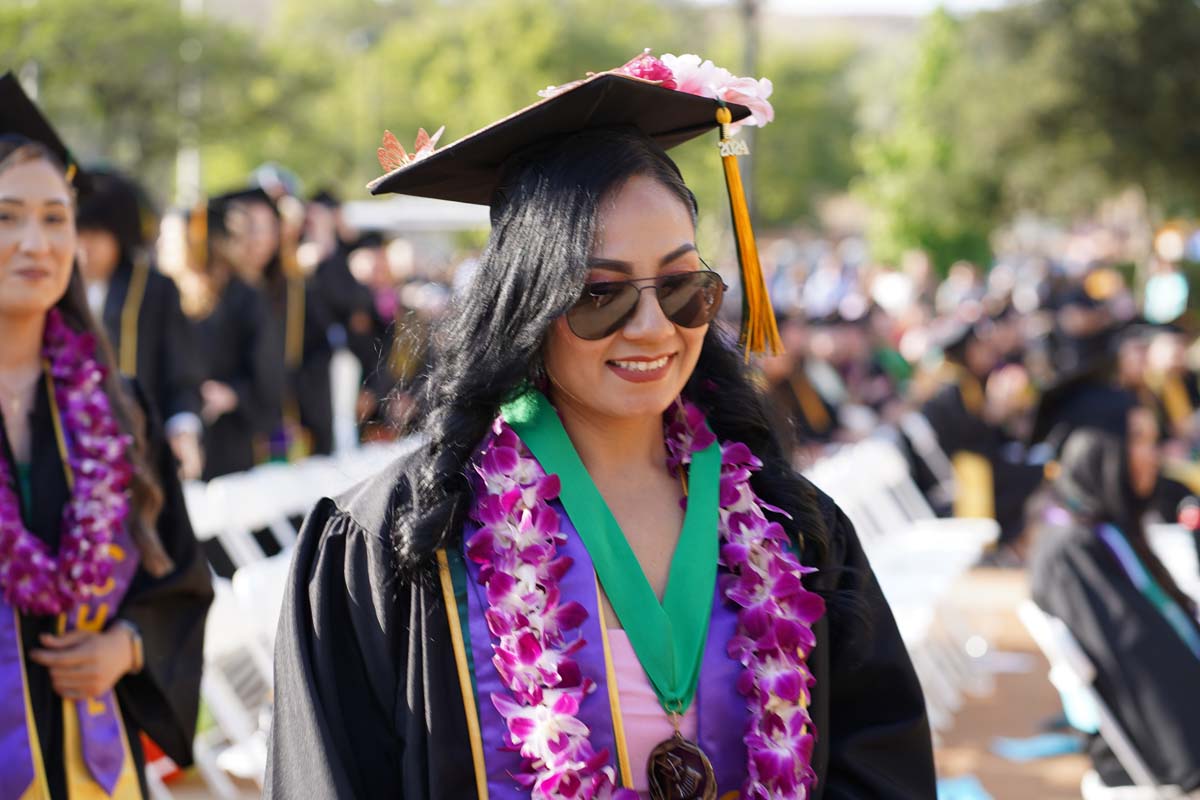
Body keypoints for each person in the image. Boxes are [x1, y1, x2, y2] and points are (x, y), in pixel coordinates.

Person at [268, 54, 934, 799]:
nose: (652, 327)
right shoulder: (399, 538)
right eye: (601, 293)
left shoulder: (787, 523)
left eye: (683, 287)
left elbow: (878, 766)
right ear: (528, 305)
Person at [0, 72, 212, 799]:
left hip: (97, 763)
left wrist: (127, 645)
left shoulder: (119, 409)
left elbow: (178, 573)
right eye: (7, 217)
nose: (36, 242)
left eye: (56, 218)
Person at [1029, 400, 1200, 792]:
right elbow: (1141, 661)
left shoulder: (1099, 527)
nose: (1152, 455)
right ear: (1099, 450)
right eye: (1138, 440)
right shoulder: (1069, 552)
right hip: (1164, 744)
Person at [75, 168, 205, 479]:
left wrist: (183, 428)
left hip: (140, 450)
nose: (84, 247)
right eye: (77, 233)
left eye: (95, 234)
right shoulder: (58, 290)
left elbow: (181, 371)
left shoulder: (154, 291)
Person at [175, 193, 283, 480]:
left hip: (228, 440)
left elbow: (269, 376)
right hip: (176, 436)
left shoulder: (246, 298)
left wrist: (234, 395)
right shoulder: (167, 297)